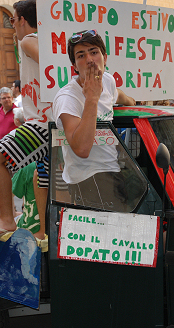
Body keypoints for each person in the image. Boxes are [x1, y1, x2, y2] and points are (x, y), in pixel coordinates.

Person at [0, 0, 54, 243]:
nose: (12, 26)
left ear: (22, 20)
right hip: (52, 123)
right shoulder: (40, 40)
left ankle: (6, 217)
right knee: (41, 176)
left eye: (12, 20)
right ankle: (42, 230)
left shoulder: (29, 40)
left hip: (43, 123)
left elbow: (53, 66)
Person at [52, 29, 135, 210]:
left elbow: (117, 95)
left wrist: (132, 102)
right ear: (74, 65)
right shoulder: (67, 98)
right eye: (81, 55)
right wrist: (91, 98)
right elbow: (81, 148)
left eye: (94, 52)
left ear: (105, 57)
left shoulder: (108, 81)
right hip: (87, 178)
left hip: (113, 170)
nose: (89, 59)